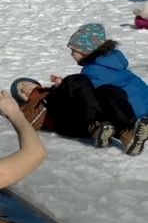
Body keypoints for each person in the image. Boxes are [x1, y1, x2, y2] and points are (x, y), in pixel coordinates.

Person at [57, 23, 148, 154]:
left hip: (133, 111)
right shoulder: (112, 62)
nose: (71, 54)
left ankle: (127, 130)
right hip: (145, 105)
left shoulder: (93, 70)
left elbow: (89, 95)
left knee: (102, 97)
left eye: (73, 50)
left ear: (85, 51)